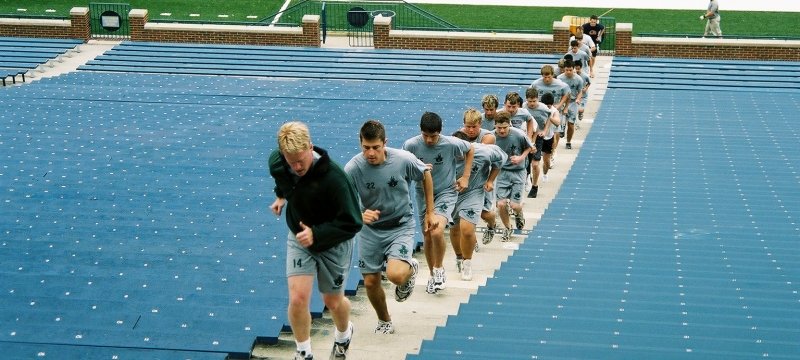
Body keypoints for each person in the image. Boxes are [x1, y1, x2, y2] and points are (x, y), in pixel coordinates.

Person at [268, 121, 363, 360]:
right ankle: (303, 352)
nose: (298, 167)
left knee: (332, 300)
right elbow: (282, 179)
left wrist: (318, 234)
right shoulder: (279, 163)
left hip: (334, 241)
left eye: (302, 160)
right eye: (292, 162)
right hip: (299, 237)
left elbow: (353, 222)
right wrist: (280, 197)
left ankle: (343, 333)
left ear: (311, 147)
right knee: (298, 297)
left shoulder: (336, 178)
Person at [345, 120, 435, 334]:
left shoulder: (403, 160)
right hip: (370, 231)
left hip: (400, 225)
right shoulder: (353, 168)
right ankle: (384, 321)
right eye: (366, 148)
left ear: (385, 143)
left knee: (395, 275)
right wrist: (358, 214)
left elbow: (425, 174)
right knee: (370, 282)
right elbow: (341, 200)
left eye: (376, 147)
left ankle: (410, 269)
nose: (371, 153)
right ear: (360, 144)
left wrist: (430, 212)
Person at [403, 111, 474, 294]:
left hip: (446, 192)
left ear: (440, 132)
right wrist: (419, 170)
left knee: (437, 230)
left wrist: (465, 177)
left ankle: (440, 269)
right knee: (427, 235)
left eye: (433, 136)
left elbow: (470, 149)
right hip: (422, 193)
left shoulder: (450, 143)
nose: (429, 140)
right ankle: (433, 274)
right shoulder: (411, 145)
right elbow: (404, 168)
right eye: (425, 136)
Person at [450, 130, 506, 280]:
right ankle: (459, 258)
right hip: (451, 194)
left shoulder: (484, 152)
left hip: (473, 192)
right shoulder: (444, 153)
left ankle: (468, 263)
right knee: (455, 229)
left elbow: (501, 160)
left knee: (467, 229)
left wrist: (490, 180)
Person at [492, 111, 533, 242]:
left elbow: (530, 148)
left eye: (505, 127)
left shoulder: (519, 134)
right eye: (499, 128)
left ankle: (519, 214)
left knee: (515, 206)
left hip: (518, 171)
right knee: (501, 204)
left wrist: (521, 157)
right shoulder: (491, 137)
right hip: (502, 172)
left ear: (509, 124)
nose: (502, 130)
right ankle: (507, 227)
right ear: (495, 126)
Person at [523, 87, 551, 198]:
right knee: (526, 162)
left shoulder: (543, 108)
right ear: (526, 100)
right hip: (526, 136)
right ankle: (527, 178)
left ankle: (535, 186)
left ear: (538, 99)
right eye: (530, 101)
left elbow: (550, 116)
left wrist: (545, 130)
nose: (532, 103)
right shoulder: (523, 107)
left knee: (535, 163)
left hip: (538, 137)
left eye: (534, 101)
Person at [556, 59, 585, 150]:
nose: (568, 72)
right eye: (566, 70)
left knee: (571, 124)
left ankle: (568, 141)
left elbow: (581, 91)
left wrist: (578, 99)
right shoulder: (559, 78)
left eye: (570, 70)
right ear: (564, 69)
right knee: (558, 122)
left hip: (573, 102)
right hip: (562, 102)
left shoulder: (578, 79)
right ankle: (561, 130)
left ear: (574, 69)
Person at [539, 93, 562, 183]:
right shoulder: (538, 108)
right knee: (534, 161)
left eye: (549, 106)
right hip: (538, 137)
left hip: (548, 138)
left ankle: (545, 174)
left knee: (546, 161)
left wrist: (549, 116)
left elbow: (557, 122)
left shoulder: (554, 111)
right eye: (545, 106)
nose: (547, 108)